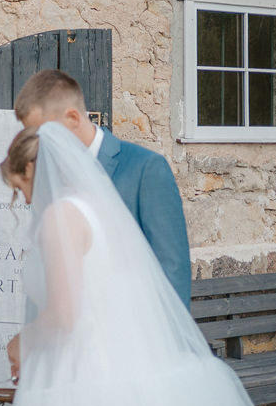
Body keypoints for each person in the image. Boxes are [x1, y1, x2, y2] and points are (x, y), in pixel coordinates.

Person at [0, 123, 269, 406]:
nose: (23, 200)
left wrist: (21, 342)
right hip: (122, 370)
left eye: (19, 188)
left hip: (80, 375)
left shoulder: (60, 218)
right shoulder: (99, 208)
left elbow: (65, 314)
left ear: (32, 169)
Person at [14, 69, 192, 309]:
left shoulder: (145, 169)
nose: (36, 144)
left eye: (43, 134)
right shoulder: (47, 177)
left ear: (73, 118)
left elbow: (173, 270)